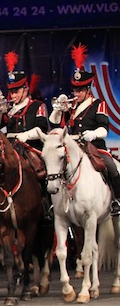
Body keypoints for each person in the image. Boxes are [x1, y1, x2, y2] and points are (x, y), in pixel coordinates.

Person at [50, 43, 120, 215]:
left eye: (80, 90)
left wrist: (93, 134)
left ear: (88, 90)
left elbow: (104, 128)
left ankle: (116, 201)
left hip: (94, 147)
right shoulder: (71, 106)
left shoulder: (98, 104)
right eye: (75, 89)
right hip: (73, 147)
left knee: (111, 167)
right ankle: (53, 205)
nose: (76, 93)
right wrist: (58, 108)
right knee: (52, 169)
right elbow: (53, 122)